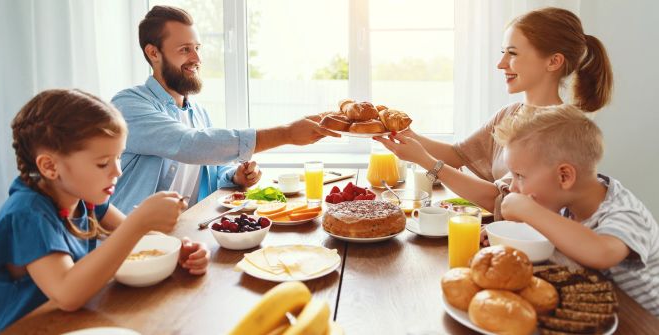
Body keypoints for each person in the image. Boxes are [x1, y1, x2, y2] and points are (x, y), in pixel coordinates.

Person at [0, 89, 210, 333]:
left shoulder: (84, 198)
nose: (117, 171)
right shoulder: (27, 214)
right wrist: (138, 222)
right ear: (50, 166)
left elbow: (142, 242)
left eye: (118, 158)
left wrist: (177, 252)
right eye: (103, 163)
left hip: (71, 323)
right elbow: (67, 293)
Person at [374, 7, 613, 217]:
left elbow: (501, 200)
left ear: (553, 62)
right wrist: (406, 134)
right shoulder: (510, 113)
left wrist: (424, 160)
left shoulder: (563, 129)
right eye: (503, 53)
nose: (501, 64)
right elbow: (458, 155)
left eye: (513, 53)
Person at [110, 5, 339, 213]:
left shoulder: (198, 113)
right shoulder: (128, 105)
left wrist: (235, 176)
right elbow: (189, 144)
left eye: (197, 48)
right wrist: (286, 133)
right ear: (153, 53)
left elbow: (214, 169)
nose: (197, 58)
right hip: (133, 242)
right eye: (185, 49)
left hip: (185, 233)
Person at [493, 104, 659, 316]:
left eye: (520, 176)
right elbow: (554, 236)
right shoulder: (565, 203)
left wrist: (527, 210)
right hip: (596, 309)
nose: (514, 187)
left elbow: (602, 252)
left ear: (564, 176)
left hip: (642, 323)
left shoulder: (625, 213)